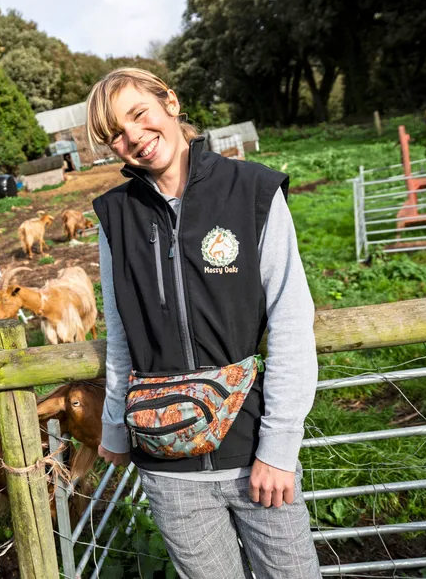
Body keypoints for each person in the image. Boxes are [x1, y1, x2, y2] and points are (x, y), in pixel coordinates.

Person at [87, 69, 321, 578]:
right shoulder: (115, 217)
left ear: (169, 102)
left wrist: (280, 447)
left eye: (138, 114)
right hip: (168, 465)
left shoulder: (253, 191)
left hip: (255, 452)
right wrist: (113, 427)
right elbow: (122, 336)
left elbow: (291, 320)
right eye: (115, 135)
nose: (133, 138)